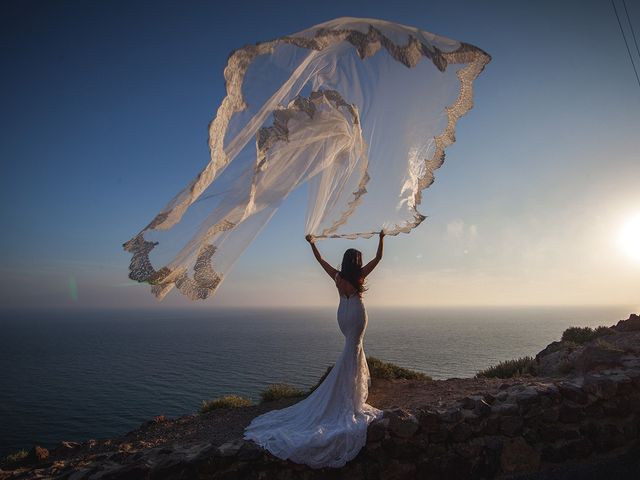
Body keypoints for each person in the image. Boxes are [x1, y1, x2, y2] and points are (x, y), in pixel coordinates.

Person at [243, 231, 386, 469]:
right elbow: (379, 258)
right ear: (358, 262)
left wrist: (312, 243)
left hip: (343, 314)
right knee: (354, 348)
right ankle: (349, 394)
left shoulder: (338, 277)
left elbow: (321, 261)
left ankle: (348, 390)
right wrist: (381, 238)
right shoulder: (360, 276)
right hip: (358, 314)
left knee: (351, 349)